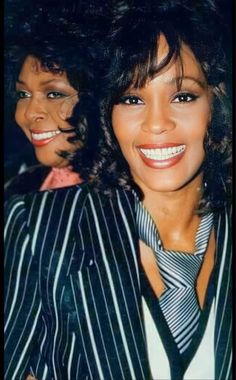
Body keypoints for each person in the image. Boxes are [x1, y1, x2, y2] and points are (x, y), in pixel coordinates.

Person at [4, 1, 232, 379]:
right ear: (106, 113)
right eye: (131, 99)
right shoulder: (40, 228)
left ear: (216, 102)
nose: (157, 123)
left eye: (183, 96)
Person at [4, 2, 102, 197]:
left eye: (54, 94)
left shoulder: (127, 201)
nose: (30, 113)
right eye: (23, 94)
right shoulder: (20, 187)